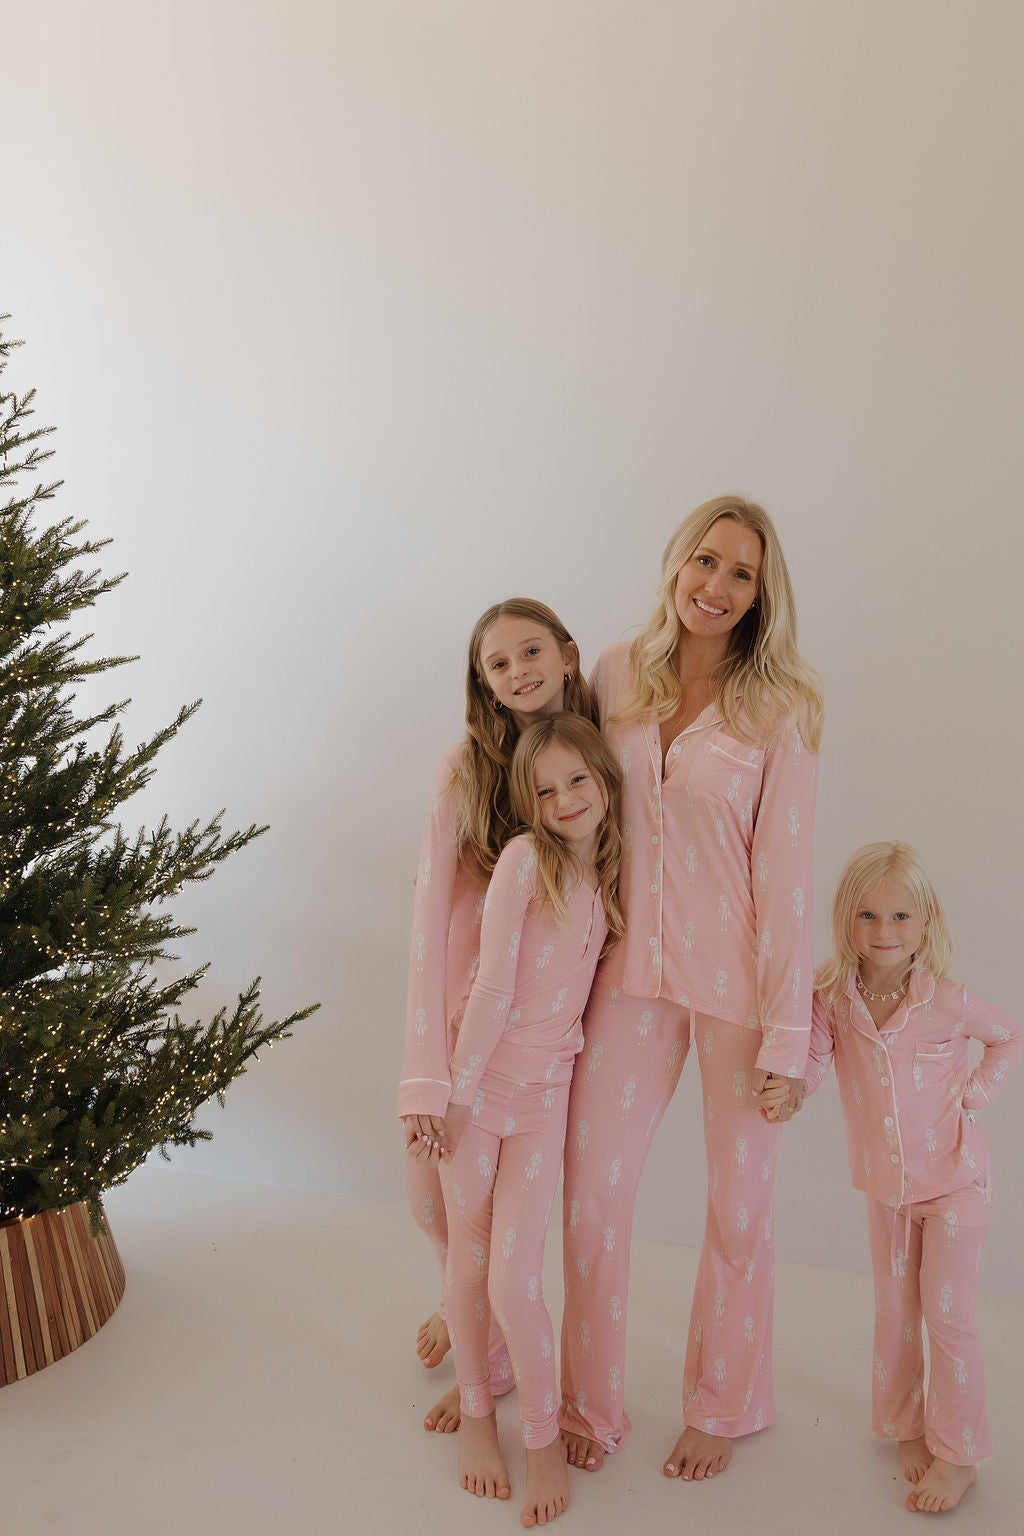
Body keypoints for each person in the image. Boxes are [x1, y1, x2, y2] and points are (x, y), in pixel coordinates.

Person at [558, 494, 823, 1482]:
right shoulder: (616, 673)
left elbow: (786, 882)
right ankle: (587, 1401)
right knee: (592, 1195)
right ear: (677, 562)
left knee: (739, 1209)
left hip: (737, 991)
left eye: (740, 573)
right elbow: (571, 815)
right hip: (628, 975)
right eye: (705, 561)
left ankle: (724, 1402)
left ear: (760, 594)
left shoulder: (783, 707)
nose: (715, 585)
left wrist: (788, 1042)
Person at [758, 841, 1022, 1514]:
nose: (884, 931)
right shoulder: (832, 995)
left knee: (948, 1314)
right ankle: (907, 1427)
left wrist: (976, 1094)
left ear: (925, 923)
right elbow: (816, 1060)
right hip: (887, 1189)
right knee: (897, 1311)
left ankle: (959, 1454)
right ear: (846, 919)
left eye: (901, 916)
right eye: (868, 915)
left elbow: (1008, 1035)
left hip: (956, 1183)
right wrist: (791, 1090)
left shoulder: (946, 1000)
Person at [420, 713, 623, 1526]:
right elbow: (494, 986)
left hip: (543, 1106)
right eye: (545, 790)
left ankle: (542, 1440)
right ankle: (479, 1417)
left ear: (605, 781)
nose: (565, 798)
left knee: (514, 1280)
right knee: (470, 1271)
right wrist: (456, 1097)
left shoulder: (605, 877)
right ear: (526, 804)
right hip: (480, 1096)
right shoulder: (525, 861)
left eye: (578, 780)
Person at [399, 598, 595, 1433]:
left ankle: (483, 1333)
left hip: (534, 1042)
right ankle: (466, 1308)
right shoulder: (466, 767)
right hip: (460, 1015)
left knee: (493, 1224)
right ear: (482, 683)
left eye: (531, 651)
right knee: (429, 1203)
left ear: (566, 655)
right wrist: (426, 1073)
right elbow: (427, 912)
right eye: (499, 663)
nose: (519, 672)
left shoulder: (585, 759)